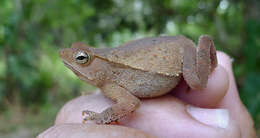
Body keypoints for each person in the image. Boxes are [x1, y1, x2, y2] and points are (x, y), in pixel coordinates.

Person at [37, 52, 256, 138]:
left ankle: (204, 45)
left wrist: (101, 117)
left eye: (82, 58)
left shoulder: (112, 83)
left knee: (200, 82)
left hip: (178, 60)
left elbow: (130, 103)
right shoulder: (108, 84)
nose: (73, 63)